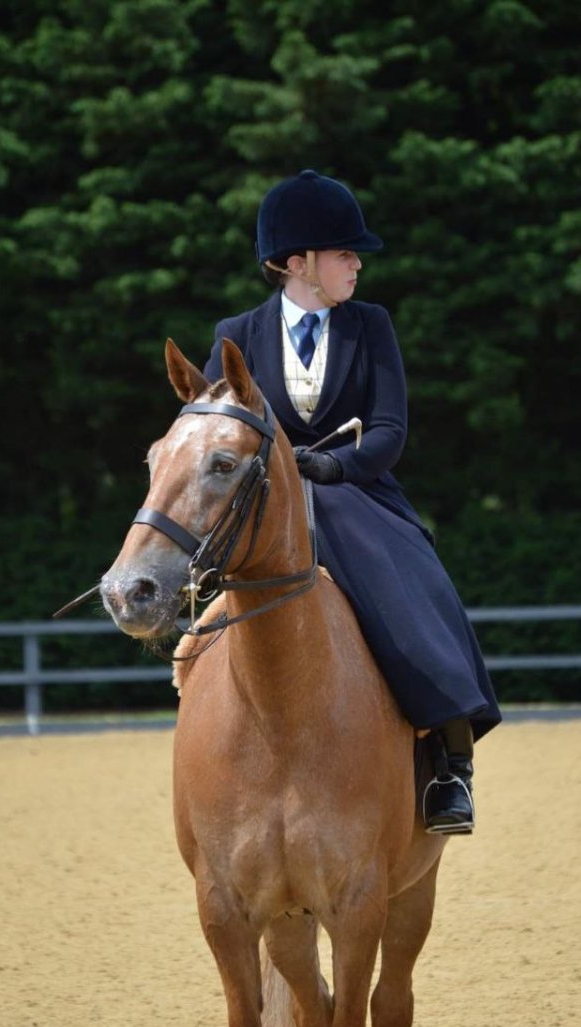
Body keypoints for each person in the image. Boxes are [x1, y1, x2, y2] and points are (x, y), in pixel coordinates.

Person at [203, 169, 501, 834]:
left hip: (355, 489)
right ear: (299, 262)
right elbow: (213, 427)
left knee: (418, 584)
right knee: (186, 574)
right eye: (345, 253)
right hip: (261, 497)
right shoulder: (237, 334)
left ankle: (449, 764)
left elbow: (390, 428)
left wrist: (335, 464)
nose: (357, 264)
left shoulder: (371, 325)